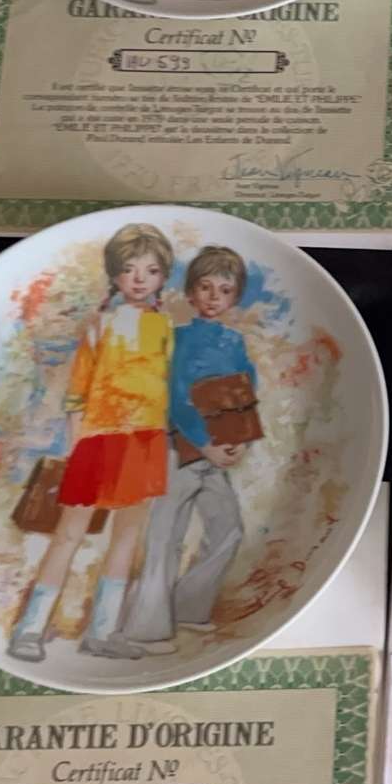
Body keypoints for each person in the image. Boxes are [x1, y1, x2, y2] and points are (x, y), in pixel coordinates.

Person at [7, 224, 175, 662]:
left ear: (162, 277)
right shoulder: (100, 325)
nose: (140, 278)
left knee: (128, 537)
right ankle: (29, 629)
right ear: (115, 275)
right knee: (69, 534)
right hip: (99, 440)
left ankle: (103, 632)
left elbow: (165, 384)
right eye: (130, 269)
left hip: (146, 441)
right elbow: (78, 391)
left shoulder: (163, 326)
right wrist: (77, 443)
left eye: (151, 270)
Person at [123, 246, 258, 652]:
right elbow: (176, 398)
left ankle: (187, 607)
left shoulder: (234, 342)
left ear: (235, 296)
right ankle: (146, 628)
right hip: (178, 449)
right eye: (206, 287)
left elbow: (244, 393)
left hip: (218, 451)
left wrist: (239, 440)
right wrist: (203, 443)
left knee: (229, 530)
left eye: (225, 290)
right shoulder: (179, 338)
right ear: (191, 292)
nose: (214, 297)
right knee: (166, 536)